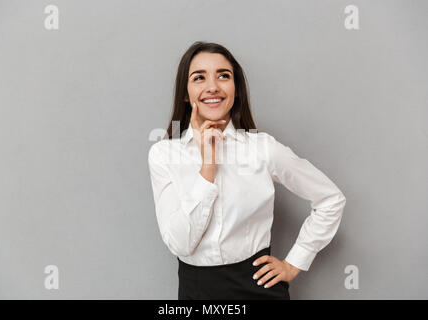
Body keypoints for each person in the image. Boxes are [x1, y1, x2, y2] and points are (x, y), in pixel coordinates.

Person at [147, 41, 347, 300]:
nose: (213, 86)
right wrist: (208, 165)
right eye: (199, 77)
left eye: (223, 76)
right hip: (196, 293)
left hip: (258, 289)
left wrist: (294, 263)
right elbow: (181, 244)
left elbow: (331, 199)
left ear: (236, 89)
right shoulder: (164, 155)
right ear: (185, 93)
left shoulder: (263, 149)